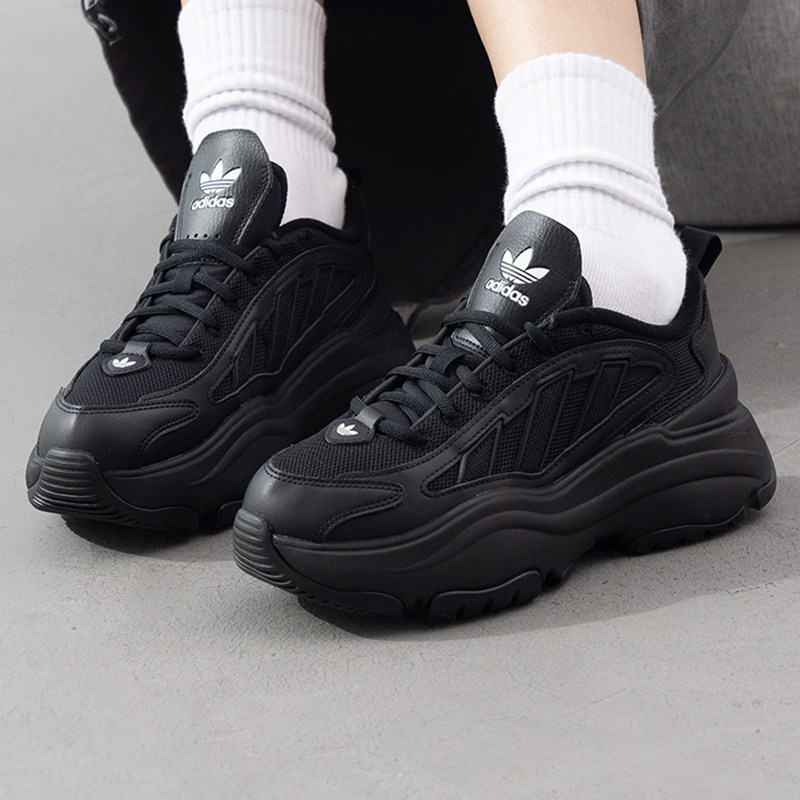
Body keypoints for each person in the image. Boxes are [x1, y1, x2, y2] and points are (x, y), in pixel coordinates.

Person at [28, 0, 775, 620]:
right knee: (268, 125)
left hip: (625, 70)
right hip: (376, 86)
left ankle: (604, 241)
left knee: (588, 204)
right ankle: (278, 173)